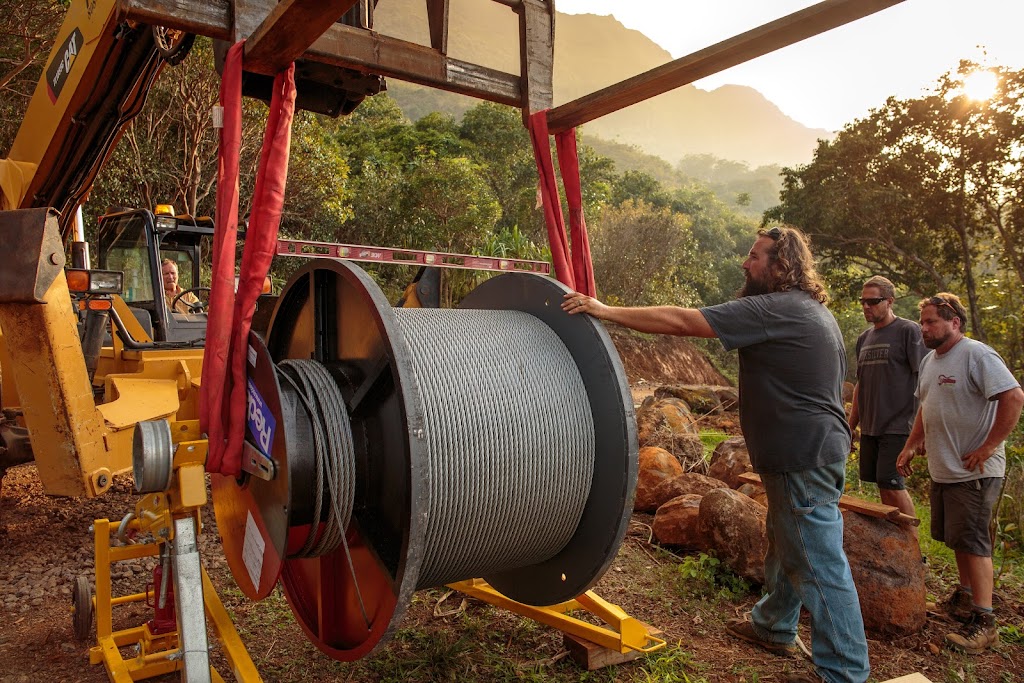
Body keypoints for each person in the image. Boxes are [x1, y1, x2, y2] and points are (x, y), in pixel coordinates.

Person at [564, 226, 868, 683]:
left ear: (781, 266)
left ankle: (846, 672)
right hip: (811, 451)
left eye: (754, 256)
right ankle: (773, 626)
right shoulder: (810, 311)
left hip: (800, 455)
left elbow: (685, 322)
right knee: (788, 538)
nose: (745, 264)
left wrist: (605, 310)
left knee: (817, 561)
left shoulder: (777, 308)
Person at [896, 293, 1023, 654]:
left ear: (955, 322)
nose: (924, 328)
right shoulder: (930, 361)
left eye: (931, 321)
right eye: (922, 321)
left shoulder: (976, 354)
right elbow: (926, 405)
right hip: (945, 467)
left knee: (973, 541)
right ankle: (965, 598)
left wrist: (988, 446)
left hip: (975, 471)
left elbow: (1013, 396)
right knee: (957, 538)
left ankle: (985, 622)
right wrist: (911, 444)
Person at [848, 276, 925, 529]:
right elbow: (861, 384)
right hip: (871, 426)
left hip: (899, 424)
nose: (866, 307)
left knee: (891, 481)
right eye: (863, 302)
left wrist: (921, 431)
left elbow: (924, 380)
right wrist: (851, 426)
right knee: (882, 484)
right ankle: (898, 541)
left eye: (873, 301)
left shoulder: (908, 331)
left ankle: (913, 548)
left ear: (890, 301)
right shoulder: (864, 338)